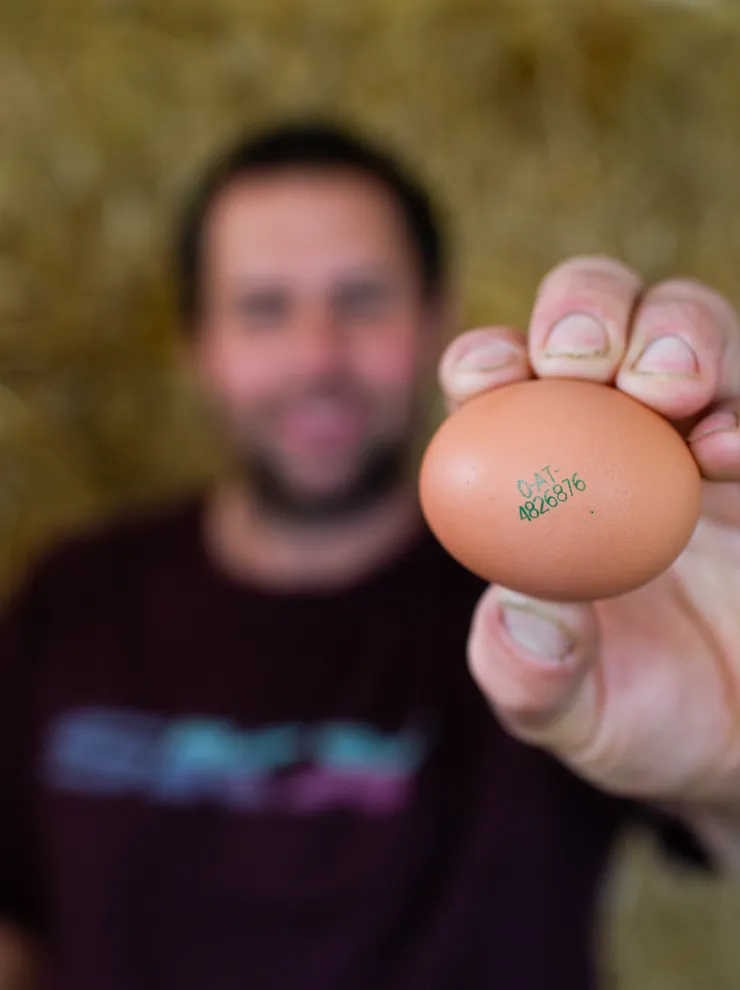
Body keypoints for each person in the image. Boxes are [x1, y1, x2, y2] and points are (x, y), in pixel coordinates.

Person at [1, 119, 740, 990]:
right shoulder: (76, 600)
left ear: (438, 320)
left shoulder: (569, 614)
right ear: (197, 346)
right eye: (263, 308)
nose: (318, 356)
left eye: (361, 300)